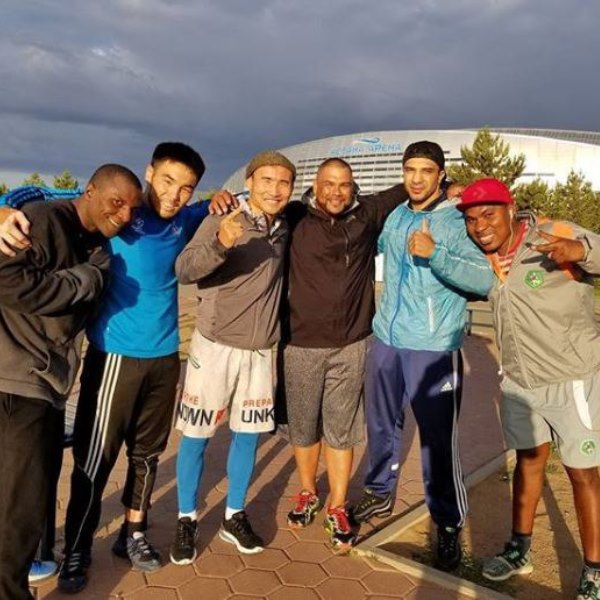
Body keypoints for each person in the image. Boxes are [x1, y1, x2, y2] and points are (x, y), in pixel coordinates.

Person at [0, 142, 207, 593]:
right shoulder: (116, 218)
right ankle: (76, 547)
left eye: (186, 188)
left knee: (147, 455)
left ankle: (133, 533)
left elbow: (214, 207)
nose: (174, 194)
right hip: (112, 355)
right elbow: (46, 198)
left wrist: (225, 199)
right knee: (94, 459)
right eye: (167, 181)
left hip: (164, 356)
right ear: (149, 173)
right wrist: (4, 208)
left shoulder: (179, 219)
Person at [351, 141, 494, 571]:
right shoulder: (396, 216)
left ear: (440, 175)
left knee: (437, 440)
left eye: (426, 171)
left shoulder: (454, 221)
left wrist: (437, 254)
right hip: (387, 340)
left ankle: (447, 523)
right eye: (410, 169)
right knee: (381, 424)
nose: (416, 178)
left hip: (433, 346)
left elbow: (484, 279)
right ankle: (379, 492)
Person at [0, 164, 141, 600]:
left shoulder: (94, 243)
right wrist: (84, 280)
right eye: (116, 202)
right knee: (19, 512)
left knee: (28, 500)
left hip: (44, 386)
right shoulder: (43, 220)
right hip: (16, 381)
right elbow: (8, 280)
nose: (123, 215)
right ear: (91, 191)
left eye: (131, 209)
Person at [458, 178, 600, 599]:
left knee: (582, 473)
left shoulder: (553, 233)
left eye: (488, 214)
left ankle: (595, 569)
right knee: (529, 460)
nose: (480, 226)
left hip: (572, 378)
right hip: (520, 381)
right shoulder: (487, 256)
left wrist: (582, 251)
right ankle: (519, 549)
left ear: (511, 208)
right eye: (471, 219)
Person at [169, 150, 295, 565]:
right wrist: (221, 242)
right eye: (266, 180)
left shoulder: (284, 226)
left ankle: (233, 515)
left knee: (248, 435)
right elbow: (185, 269)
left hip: (258, 350)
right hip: (214, 346)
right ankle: (186, 517)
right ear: (250, 182)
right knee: (197, 435)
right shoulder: (223, 217)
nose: (275, 190)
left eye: (283, 182)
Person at [279, 158, 408, 550]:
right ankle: (307, 492)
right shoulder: (294, 216)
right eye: (329, 184)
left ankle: (337, 504)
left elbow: (405, 188)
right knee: (304, 427)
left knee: (340, 428)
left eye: (344, 185)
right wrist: (214, 203)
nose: (336, 192)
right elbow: (258, 205)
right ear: (315, 185)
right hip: (300, 344)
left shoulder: (366, 214)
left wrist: (448, 187)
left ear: (353, 188)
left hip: (351, 344)